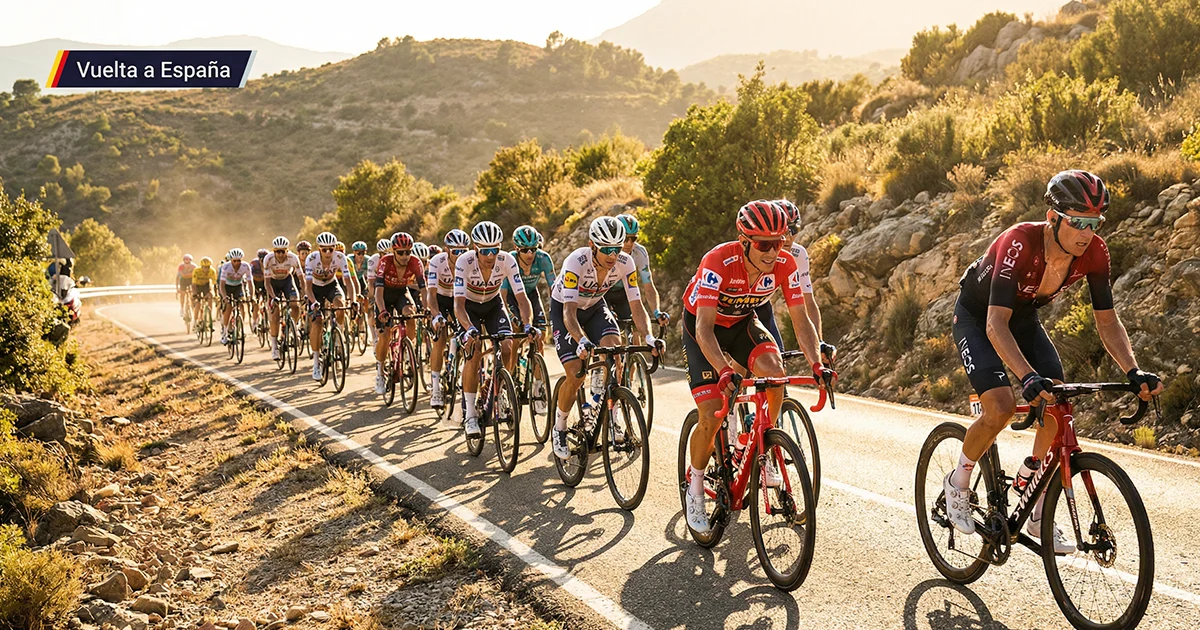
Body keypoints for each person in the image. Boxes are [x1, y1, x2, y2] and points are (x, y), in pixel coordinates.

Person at [944, 170, 1163, 553]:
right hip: (979, 317)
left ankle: (1036, 502)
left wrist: (1133, 370)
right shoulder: (1018, 243)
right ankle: (957, 483)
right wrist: (1026, 376)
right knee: (1001, 406)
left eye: (1094, 223)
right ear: (1053, 217)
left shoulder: (1095, 252)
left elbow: (1107, 320)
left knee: (1058, 403)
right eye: (1078, 221)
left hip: (1024, 318)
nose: (1086, 232)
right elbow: (996, 324)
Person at [680, 201, 829, 534]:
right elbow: (703, 329)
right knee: (711, 412)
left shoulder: (786, 263)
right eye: (764, 244)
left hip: (742, 322)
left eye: (779, 242)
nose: (774, 250)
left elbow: (801, 320)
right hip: (703, 328)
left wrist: (817, 363)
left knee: (775, 373)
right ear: (744, 240)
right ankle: (695, 486)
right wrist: (722, 368)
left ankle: (761, 440)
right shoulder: (718, 261)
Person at [548, 217, 663, 459]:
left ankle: (610, 413)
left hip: (595, 307)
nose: (613, 255)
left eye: (617, 248)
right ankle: (559, 427)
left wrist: (649, 338)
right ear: (592, 245)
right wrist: (581, 340)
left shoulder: (625, 262)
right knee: (576, 372)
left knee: (616, 350)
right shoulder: (575, 262)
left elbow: (636, 304)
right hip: (565, 310)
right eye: (607, 249)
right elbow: (569, 313)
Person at [453, 222, 535, 439]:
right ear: (475, 248)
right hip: (468, 307)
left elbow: (522, 298)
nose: (490, 255)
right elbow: (458, 305)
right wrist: (469, 329)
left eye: (495, 250)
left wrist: (527, 324)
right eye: (485, 250)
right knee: (475, 350)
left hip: (493, 305)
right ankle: (470, 414)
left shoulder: (507, 260)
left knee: (508, 346)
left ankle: (502, 389)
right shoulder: (464, 262)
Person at [752, 200, 837, 364]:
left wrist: (818, 342)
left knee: (777, 362)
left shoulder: (798, 255)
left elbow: (808, 302)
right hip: (735, 309)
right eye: (784, 231)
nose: (789, 237)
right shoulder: (757, 252)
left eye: (794, 230)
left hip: (761, 305)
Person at [373, 232, 427, 394]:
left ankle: (408, 352)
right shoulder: (385, 262)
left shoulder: (416, 263)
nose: (405, 256)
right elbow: (378, 293)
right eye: (400, 252)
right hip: (384, 296)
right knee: (385, 335)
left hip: (401, 293)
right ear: (393, 251)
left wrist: (427, 308)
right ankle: (380, 372)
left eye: (408, 252)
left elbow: (424, 290)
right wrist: (382, 311)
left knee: (410, 314)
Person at [603, 214, 670, 343]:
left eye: (633, 239)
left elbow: (648, 286)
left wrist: (657, 311)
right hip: (603, 293)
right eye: (625, 238)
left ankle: (633, 362)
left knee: (635, 331)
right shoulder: (606, 252)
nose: (629, 243)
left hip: (624, 293)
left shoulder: (640, 252)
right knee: (608, 334)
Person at [500, 225, 555, 375]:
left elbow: (554, 288)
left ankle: (537, 386)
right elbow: (503, 295)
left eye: (533, 249)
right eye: (525, 250)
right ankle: (509, 378)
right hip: (511, 296)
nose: (530, 254)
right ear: (516, 248)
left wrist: (557, 312)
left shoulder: (543, 259)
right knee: (515, 336)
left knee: (540, 337)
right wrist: (510, 316)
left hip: (531, 294)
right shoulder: (510, 260)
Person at [426, 229, 470, 409]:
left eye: (463, 251)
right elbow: (430, 295)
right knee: (441, 337)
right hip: (442, 300)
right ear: (446, 250)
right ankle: (436, 387)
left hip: (460, 300)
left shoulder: (470, 263)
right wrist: (436, 316)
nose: (460, 255)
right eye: (455, 251)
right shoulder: (437, 262)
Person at [304, 232, 356, 381]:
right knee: (318, 322)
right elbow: (307, 288)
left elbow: (348, 282)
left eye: (330, 249)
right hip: (314, 288)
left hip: (331, 285)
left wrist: (353, 301)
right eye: (324, 249)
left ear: (334, 248)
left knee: (340, 305)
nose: (328, 252)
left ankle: (339, 337)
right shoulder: (311, 259)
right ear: (319, 249)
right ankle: (315, 363)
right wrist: (314, 302)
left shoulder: (340, 257)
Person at [263, 237, 303, 361]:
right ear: (274, 251)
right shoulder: (268, 259)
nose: (280, 254)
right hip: (273, 284)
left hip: (287, 281)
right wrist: (273, 298)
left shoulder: (293, 258)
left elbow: (301, 278)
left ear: (287, 251)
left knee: (295, 305)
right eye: (277, 252)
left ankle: (294, 327)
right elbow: (267, 283)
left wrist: (304, 294)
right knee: (275, 315)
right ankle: (274, 346)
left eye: (283, 251)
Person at [218, 248, 255, 345]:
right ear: (231, 260)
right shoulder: (225, 267)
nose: (237, 263)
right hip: (227, 287)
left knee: (242, 304)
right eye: (234, 261)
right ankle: (225, 332)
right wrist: (225, 297)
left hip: (238, 286)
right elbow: (221, 285)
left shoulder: (246, 266)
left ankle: (240, 326)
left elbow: (250, 283)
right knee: (229, 307)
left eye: (239, 260)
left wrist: (252, 296)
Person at [365, 238, 390, 345]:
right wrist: (371, 297)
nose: (386, 256)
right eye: (384, 254)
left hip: (389, 284)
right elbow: (371, 282)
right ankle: (374, 336)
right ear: (379, 254)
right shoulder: (373, 260)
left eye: (388, 253)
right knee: (371, 309)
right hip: (375, 283)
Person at [191, 256, 218, 330]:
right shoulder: (196, 271)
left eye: (208, 267)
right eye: (204, 267)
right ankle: (195, 321)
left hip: (206, 285)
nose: (206, 269)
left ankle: (209, 320)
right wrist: (194, 294)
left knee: (210, 297)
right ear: (201, 266)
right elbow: (193, 285)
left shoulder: (212, 271)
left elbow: (214, 284)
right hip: (197, 286)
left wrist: (215, 294)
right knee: (198, 304)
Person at [177, 254, 196, 319]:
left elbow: (196, 277)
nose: (187, 264)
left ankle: (194, 307)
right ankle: (182, 308)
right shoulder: (181, 266)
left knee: (193, 294)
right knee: (182, 294)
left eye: (189, 262)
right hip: (183, 281)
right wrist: (177, 288)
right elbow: (177, 277)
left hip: (191, 280)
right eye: (185, 262)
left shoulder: (194, 266)